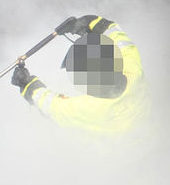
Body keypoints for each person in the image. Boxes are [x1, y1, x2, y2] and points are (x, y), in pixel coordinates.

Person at [10, 15, 146, 132]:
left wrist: (27, 84)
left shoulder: (88, 109)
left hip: (117, 161)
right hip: (148, 143)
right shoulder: (133, 70)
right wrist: (93, 22)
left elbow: (50, 106)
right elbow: (118, 37)